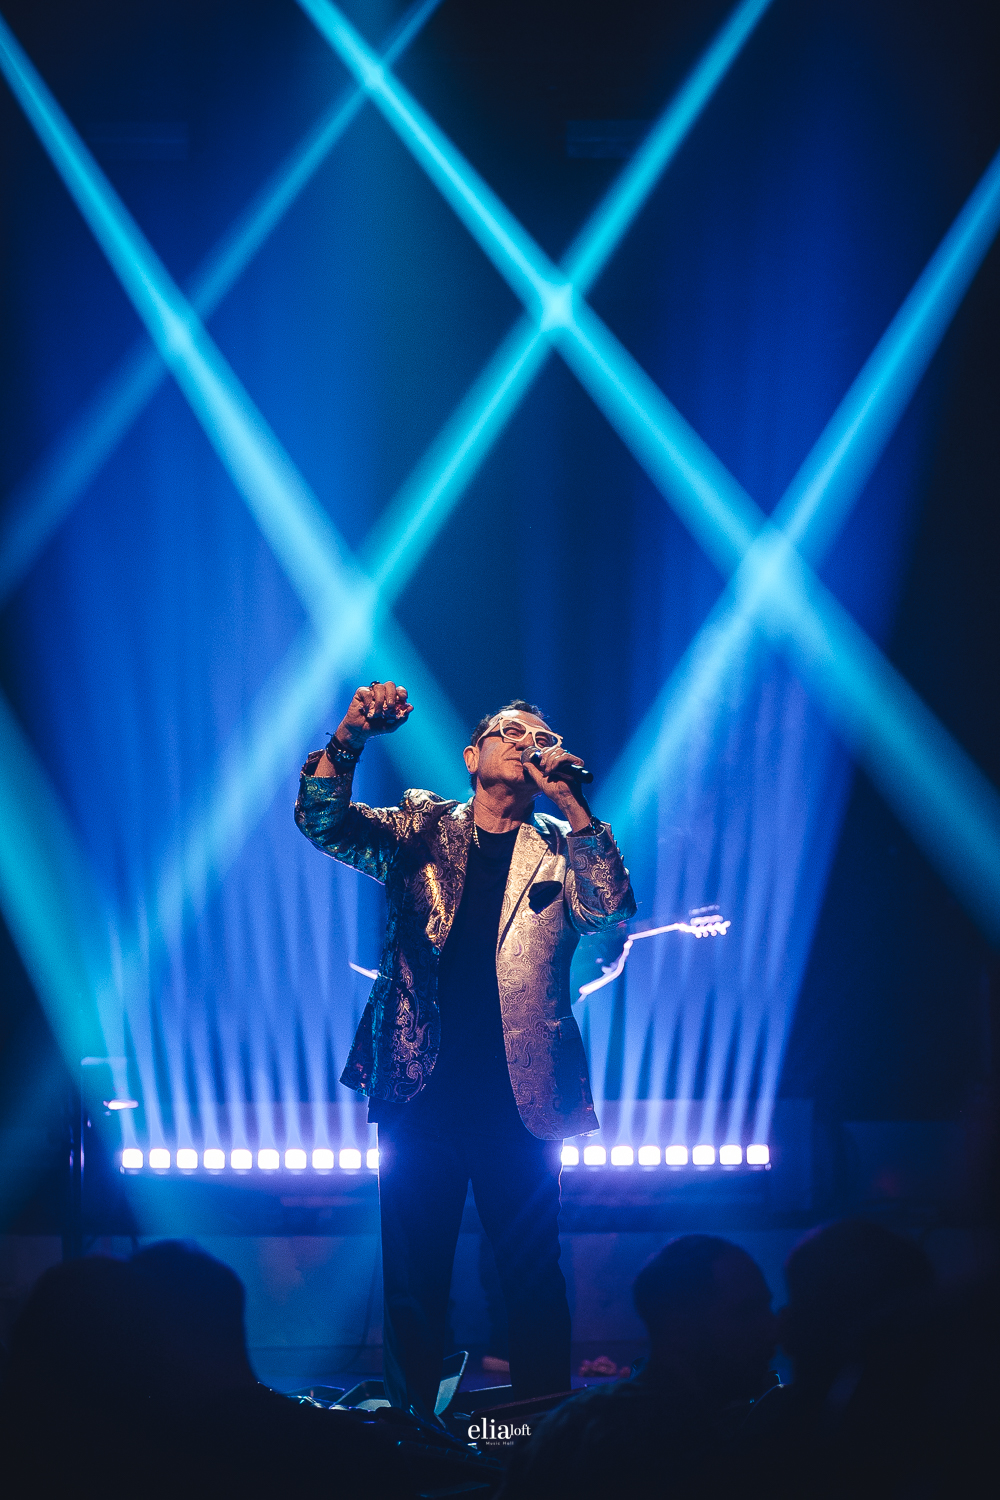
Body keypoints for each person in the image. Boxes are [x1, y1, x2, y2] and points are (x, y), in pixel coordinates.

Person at [295, 683, 635, 1416]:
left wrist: (574, 806)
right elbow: (323, 823)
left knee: (531, 1274)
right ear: (471, 756)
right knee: (415, 1278)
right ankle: (413, 1432)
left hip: (522, 1094)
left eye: (540, 737)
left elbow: (609, 910)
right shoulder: (422, 827)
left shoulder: (559, 845)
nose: (525, 742)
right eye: (509, 731)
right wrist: (351, 735)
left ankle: (541, 1431)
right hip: (420, 1088)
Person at [498, 1235, 777, 1500]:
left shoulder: (580, 1425)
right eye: (746, 1313)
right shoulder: (647, 1448)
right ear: (678, 1327)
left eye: (767, 1309)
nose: (771, 1329)